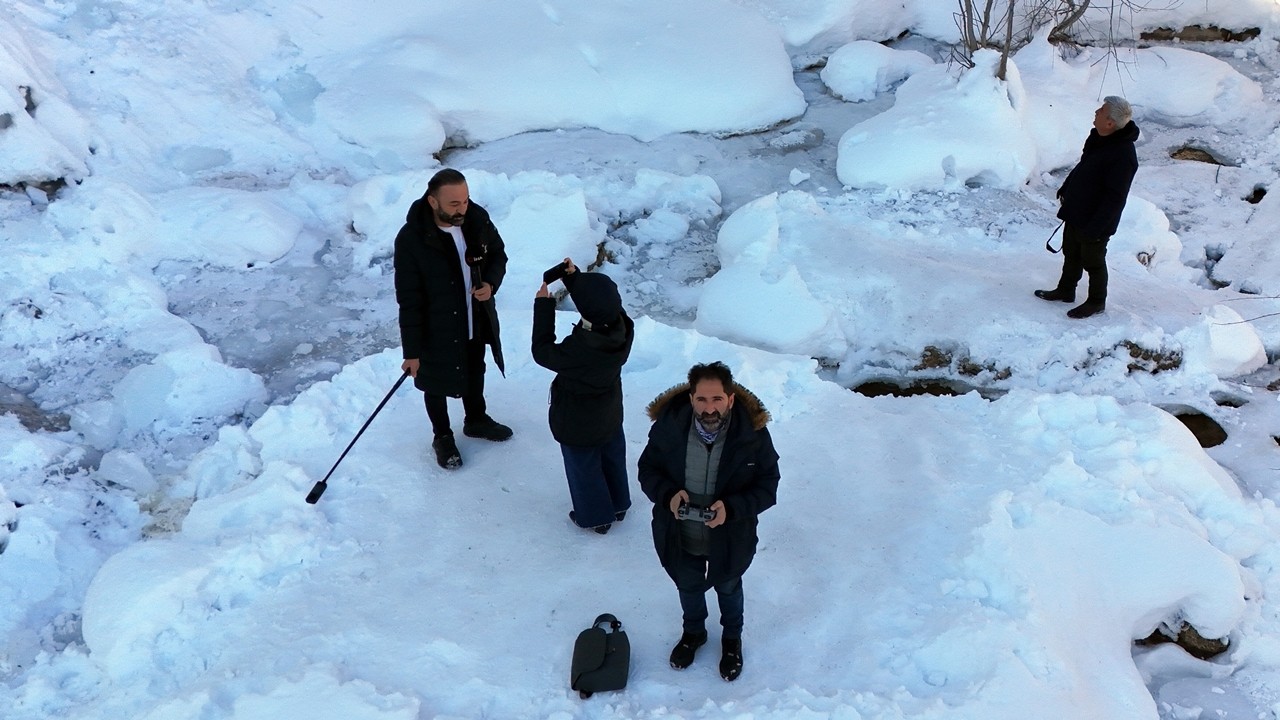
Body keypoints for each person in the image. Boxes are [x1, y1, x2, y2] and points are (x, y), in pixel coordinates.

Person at [638, 361, 780, 682]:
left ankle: (731, 640)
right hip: (680, 532)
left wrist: (733, 508)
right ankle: (694, 633)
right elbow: (648, 469)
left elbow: (768, 486)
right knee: (687, 584)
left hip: (730, 537)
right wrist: (668, 496)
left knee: (728, 586)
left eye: (717, 400)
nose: (709, 408)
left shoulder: (753, 435)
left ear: (730, 399)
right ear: (691, 399)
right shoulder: (669, 427)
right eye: (701, 400)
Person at [393, 168, 513, 470]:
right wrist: (412, 352)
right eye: (454, 204)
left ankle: (476, 419)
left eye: (466, 201)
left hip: (476, 318)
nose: (462, 209)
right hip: (436, 327)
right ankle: (442, 436)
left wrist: (490, 284)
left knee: (475, 368)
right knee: (434, 381)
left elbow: (498, 255)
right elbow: (408, 298)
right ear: (433, 202)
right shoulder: (412, 239)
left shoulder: (477, 219)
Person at [531, 259, 635, 535]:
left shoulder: (581, 351)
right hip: (609, 412)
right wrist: (573, 279)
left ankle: (595, 517)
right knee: (612, 455)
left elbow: (542, 351)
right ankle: (619, 503)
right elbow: (600, 301)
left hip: (578, 420)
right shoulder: (622, 326)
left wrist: (544, 306)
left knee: (584, 467)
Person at [1036, 96, 1140, 319]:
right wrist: (1067, 187)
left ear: (1110, 122)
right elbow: (1084, 167)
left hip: (1096, 220)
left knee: (1093, 261)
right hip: (1078, 210)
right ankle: (1065, 290)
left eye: (1101, 111)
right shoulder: (1099, 138)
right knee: (1071, 252)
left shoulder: (1123, 155)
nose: (1096, 112)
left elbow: (1116, 197)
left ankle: (1096, 301)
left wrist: (1096, 227)